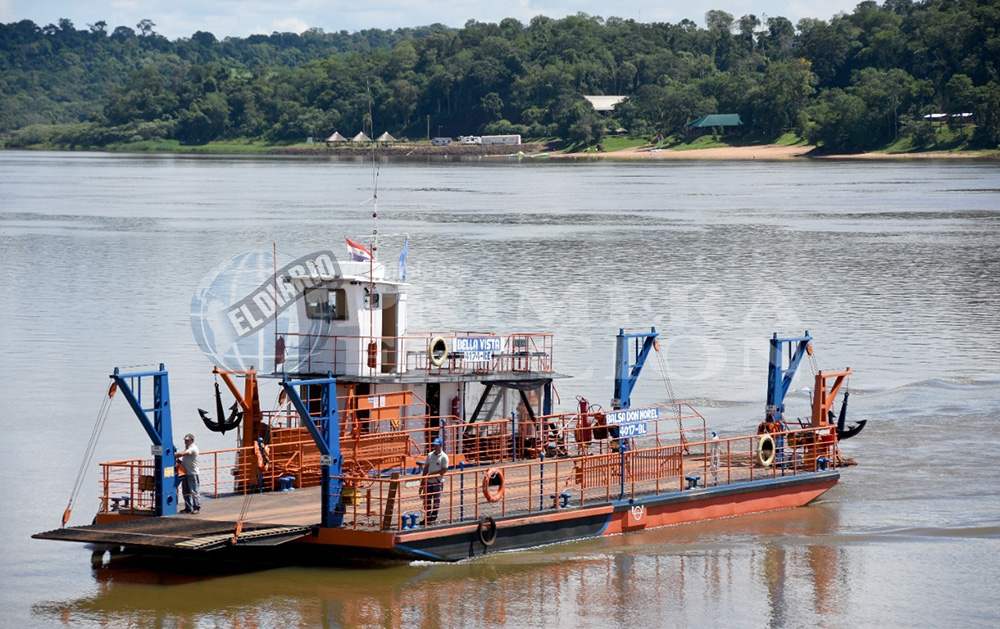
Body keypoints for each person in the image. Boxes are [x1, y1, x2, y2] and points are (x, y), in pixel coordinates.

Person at [422, 437, 449, 524]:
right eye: (434, 445)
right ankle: (427, 517)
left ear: (440, 446)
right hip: (429, 482)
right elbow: (426, 468)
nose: (435, 447)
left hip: (437, 482)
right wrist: (423, 479)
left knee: (436, 501)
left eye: (437, 445)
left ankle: (433, 518)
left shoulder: (444, 457)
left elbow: (444, 470)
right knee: (427, 500)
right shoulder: (430, 455)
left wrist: (433, 474)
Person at [178, 433, 200, 514]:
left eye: (187, 440)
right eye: (185, 440)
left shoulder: (193, 448)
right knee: (186, 491)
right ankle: (188, 507)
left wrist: (171, 455)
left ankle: (196, 507)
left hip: (192, 473)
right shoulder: (187, 448)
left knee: (194, 491)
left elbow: (183, 454)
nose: (186, 442)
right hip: (185, 473)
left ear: (192, 440)